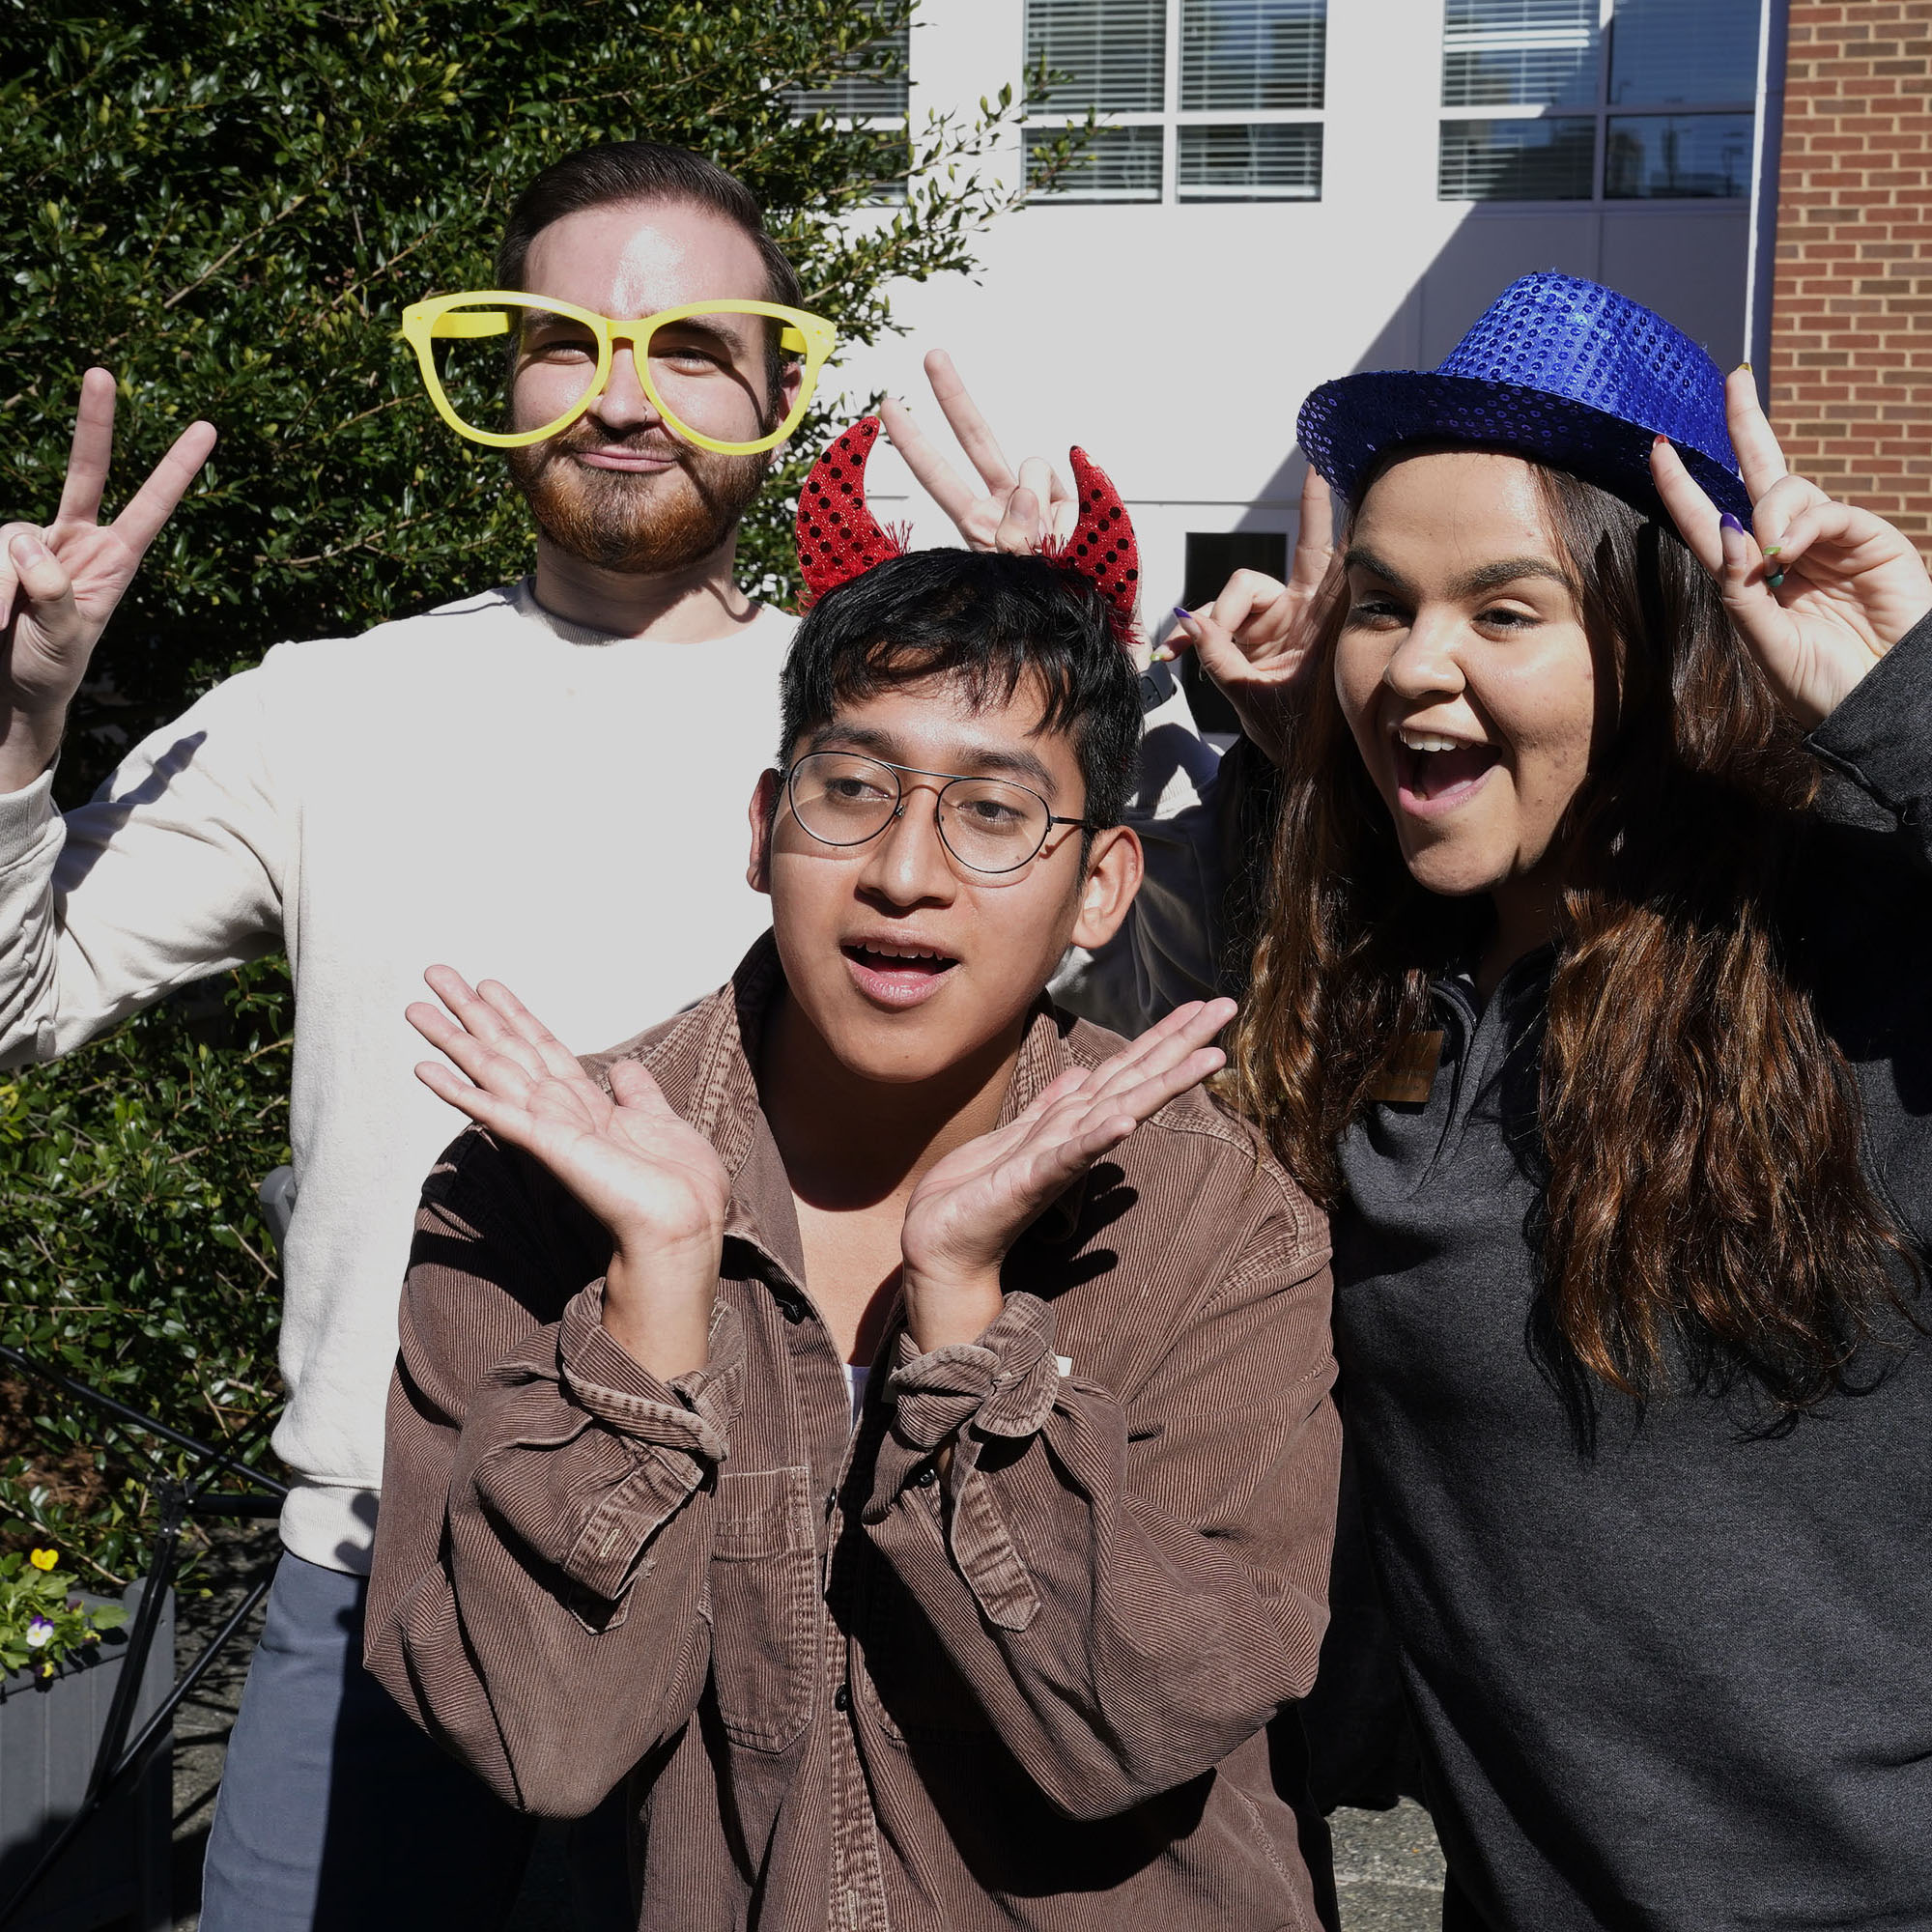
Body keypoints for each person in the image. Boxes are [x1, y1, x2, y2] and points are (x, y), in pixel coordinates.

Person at [0, 140, 1165, 1931]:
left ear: (780, 390)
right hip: (377, 1573)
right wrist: (20, 730)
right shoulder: (325, 707)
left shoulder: (867, 745)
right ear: (499, 373)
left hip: (773, 1574)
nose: (625, 396)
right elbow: (26, 1007)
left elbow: (1085, 1036)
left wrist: (1042, 668)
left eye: (695, 345)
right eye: (569, 339)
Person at [362, 443, 1343, 1931]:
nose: (903, 871)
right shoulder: (538, 1189)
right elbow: (536, 1743)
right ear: (763, 830)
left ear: (1104, 886)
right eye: (852, 790)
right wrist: (651, 1310)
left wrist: (962, 1330)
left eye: (995, 814)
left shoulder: (1216, 1225)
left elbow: (1130, 1730)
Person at [1176, 271, 1932, 1928]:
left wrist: (1906, 707)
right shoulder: (1359, 1008)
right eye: (1379, 605)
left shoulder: (1860, 970)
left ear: (1659, 636)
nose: (1416, 665)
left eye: (1504, 613)